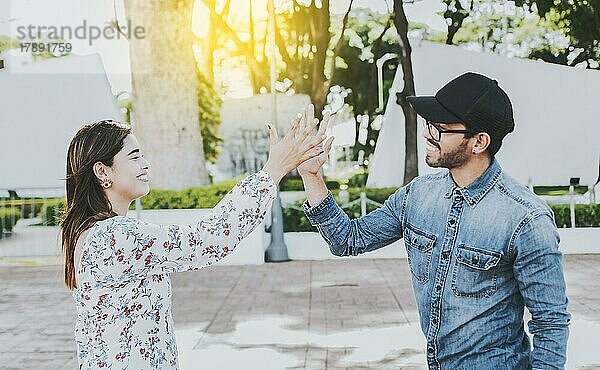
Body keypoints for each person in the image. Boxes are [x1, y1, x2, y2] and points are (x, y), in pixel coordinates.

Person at [299, 73, 570, 369]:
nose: (427, 134)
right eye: (429, 124)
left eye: (440, 129)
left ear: (479, 141)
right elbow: (347, 240)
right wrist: (312, 176)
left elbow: (551, 323)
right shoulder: (418, 195)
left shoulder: (526, 218)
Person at [61, 117, 325, 369]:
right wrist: (273, 171)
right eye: (135, 156)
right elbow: (208, 239)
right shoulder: (115, 237)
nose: (146, 164)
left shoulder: (91, 233)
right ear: (102, 171)